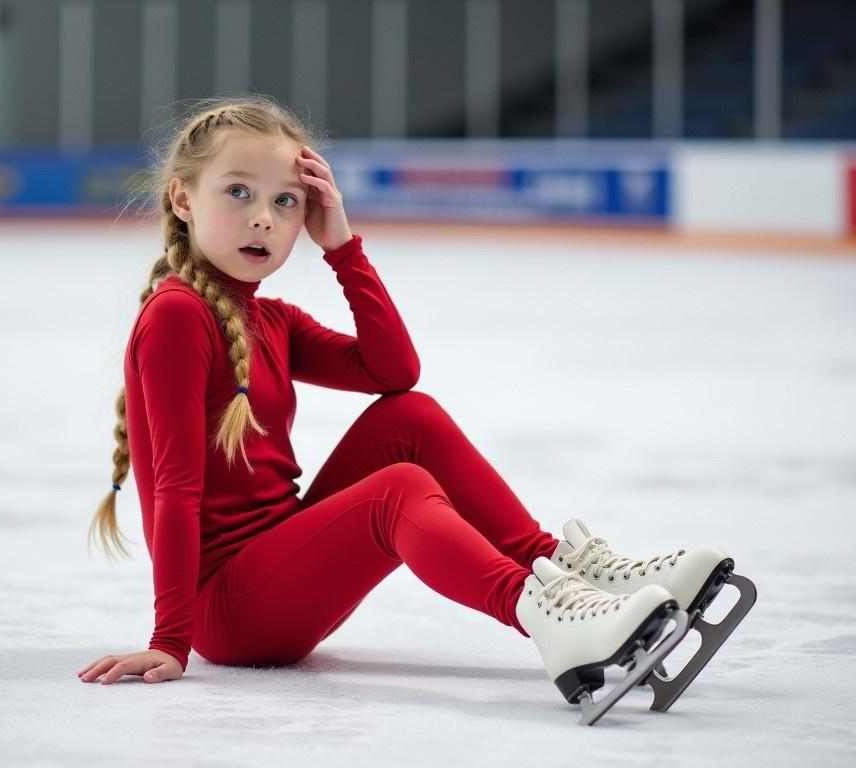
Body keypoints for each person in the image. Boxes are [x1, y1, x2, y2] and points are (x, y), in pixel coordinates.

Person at [75, 95, 751, 722]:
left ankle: (568, 573)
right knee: (398, 491)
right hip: (230, 610)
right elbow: (173, 487)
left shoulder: (270, 319)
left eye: (287, 202)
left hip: (275, 566)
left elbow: (392, 371)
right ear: (182, 199)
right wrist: (171, 639)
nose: (264, 218)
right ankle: (548, 617)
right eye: (239, 192)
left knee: (411, 418)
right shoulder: (176, 318)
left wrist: (341, 247)